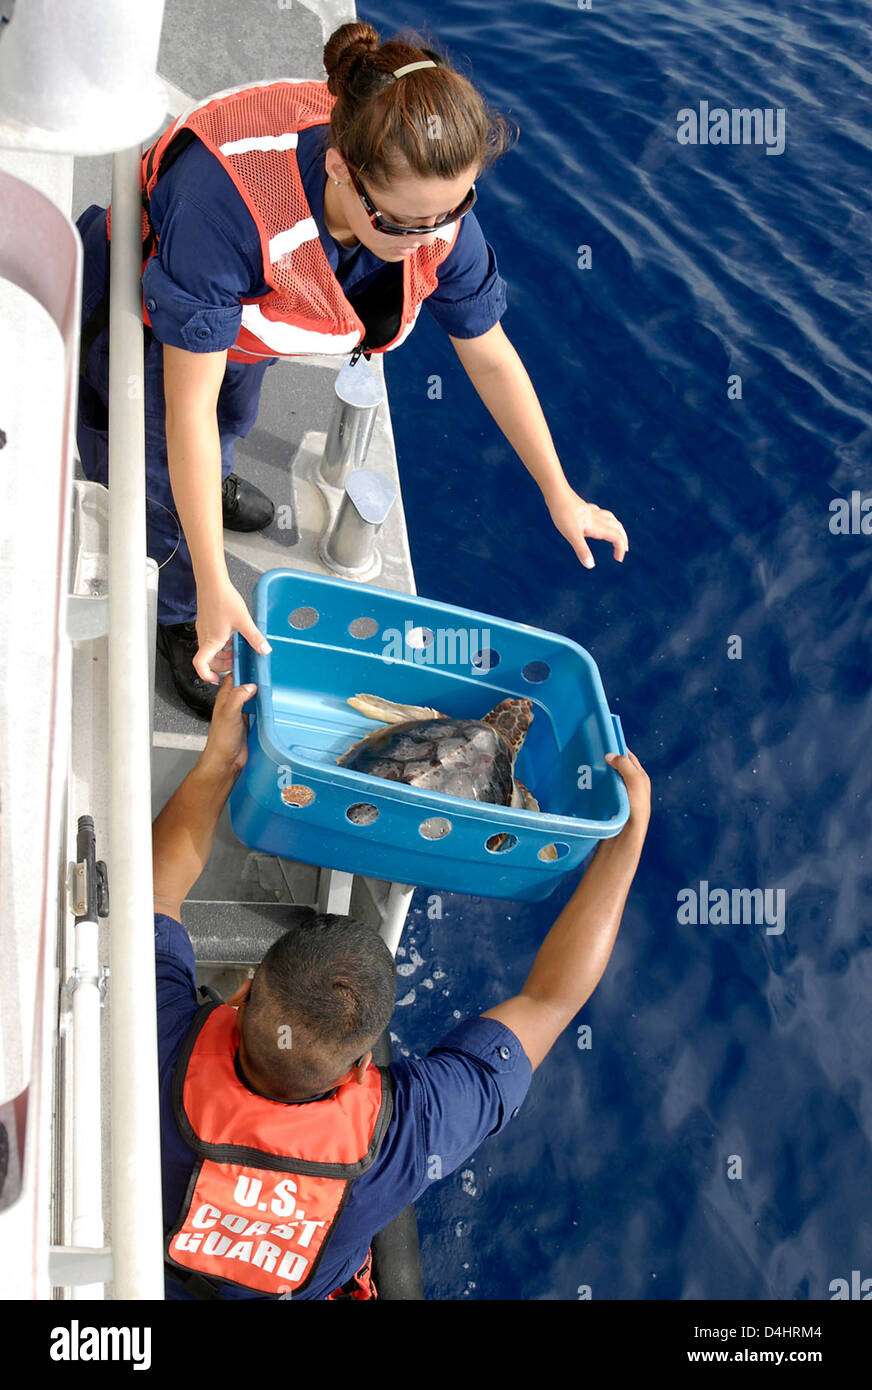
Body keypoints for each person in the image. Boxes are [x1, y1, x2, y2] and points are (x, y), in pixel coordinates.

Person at [76, 20, 629, 721]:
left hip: (245, 334)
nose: (430, 241)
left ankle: (206, 496)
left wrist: (561, 494)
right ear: (341, 168)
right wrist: (218, 583)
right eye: (403, 224)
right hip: (152, 328)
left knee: (232, 423)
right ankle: (180, 612)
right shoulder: (228, 205)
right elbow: (186, 406)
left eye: (453, 212)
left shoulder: (427, 202)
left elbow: (490, 355)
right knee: (156, 480)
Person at [152, 676, 650, 1299]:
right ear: (365, 1064)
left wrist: (222, 760)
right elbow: (551, 999)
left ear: (242, 994)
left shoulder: (164, 1038)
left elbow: (157, 888)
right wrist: (627, 839)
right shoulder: (404, 1137)